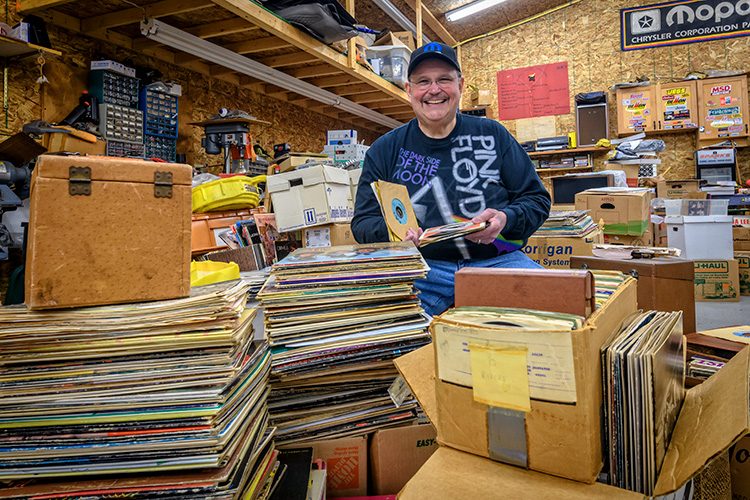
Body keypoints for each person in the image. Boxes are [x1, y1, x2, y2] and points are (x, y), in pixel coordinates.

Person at [351, 42, 551, 317]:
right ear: (409, 90)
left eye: (444, 79)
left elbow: (537, 200)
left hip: (498, 262)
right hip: (421, 269)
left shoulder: (493, 135)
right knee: (374, 331)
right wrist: (395, 236)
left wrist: (506, 219)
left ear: (460, 84)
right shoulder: (385, 150)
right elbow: (362, 223)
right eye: (423, 81)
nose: (434, 89)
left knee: (560, 310)